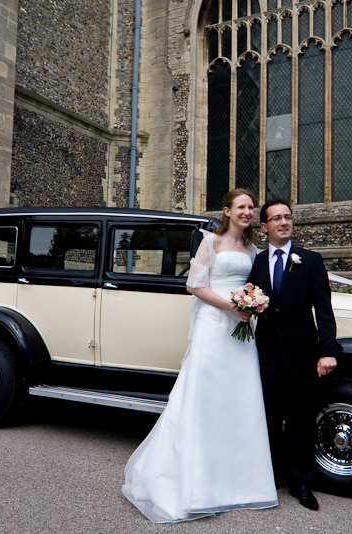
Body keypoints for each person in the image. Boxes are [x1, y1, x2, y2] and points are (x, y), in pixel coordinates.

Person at [122, 189, 278, 523]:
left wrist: (252, 304)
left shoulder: (252, 249)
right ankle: (199, 484)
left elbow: (255, 285)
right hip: (214, 324)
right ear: (227, 211)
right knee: (207, 396)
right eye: (241, 207)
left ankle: (241, 484)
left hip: (241, 331)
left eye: (251, 207)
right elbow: (194, 285)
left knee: (238, 399)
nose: (248, 212)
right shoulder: (211, 242)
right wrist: (231, 305)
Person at [248, 198, 339, 511]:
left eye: (287, 217)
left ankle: (301, 483)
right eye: (276, 218)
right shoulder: (257, 262)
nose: (283, 222)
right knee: (270, 421)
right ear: (264, 226)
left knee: (301, 422)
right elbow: (249, 302)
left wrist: (327, 352)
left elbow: (324, 310)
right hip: (267, 357)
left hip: (302, 356)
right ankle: (271, 478)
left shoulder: (310, 260)